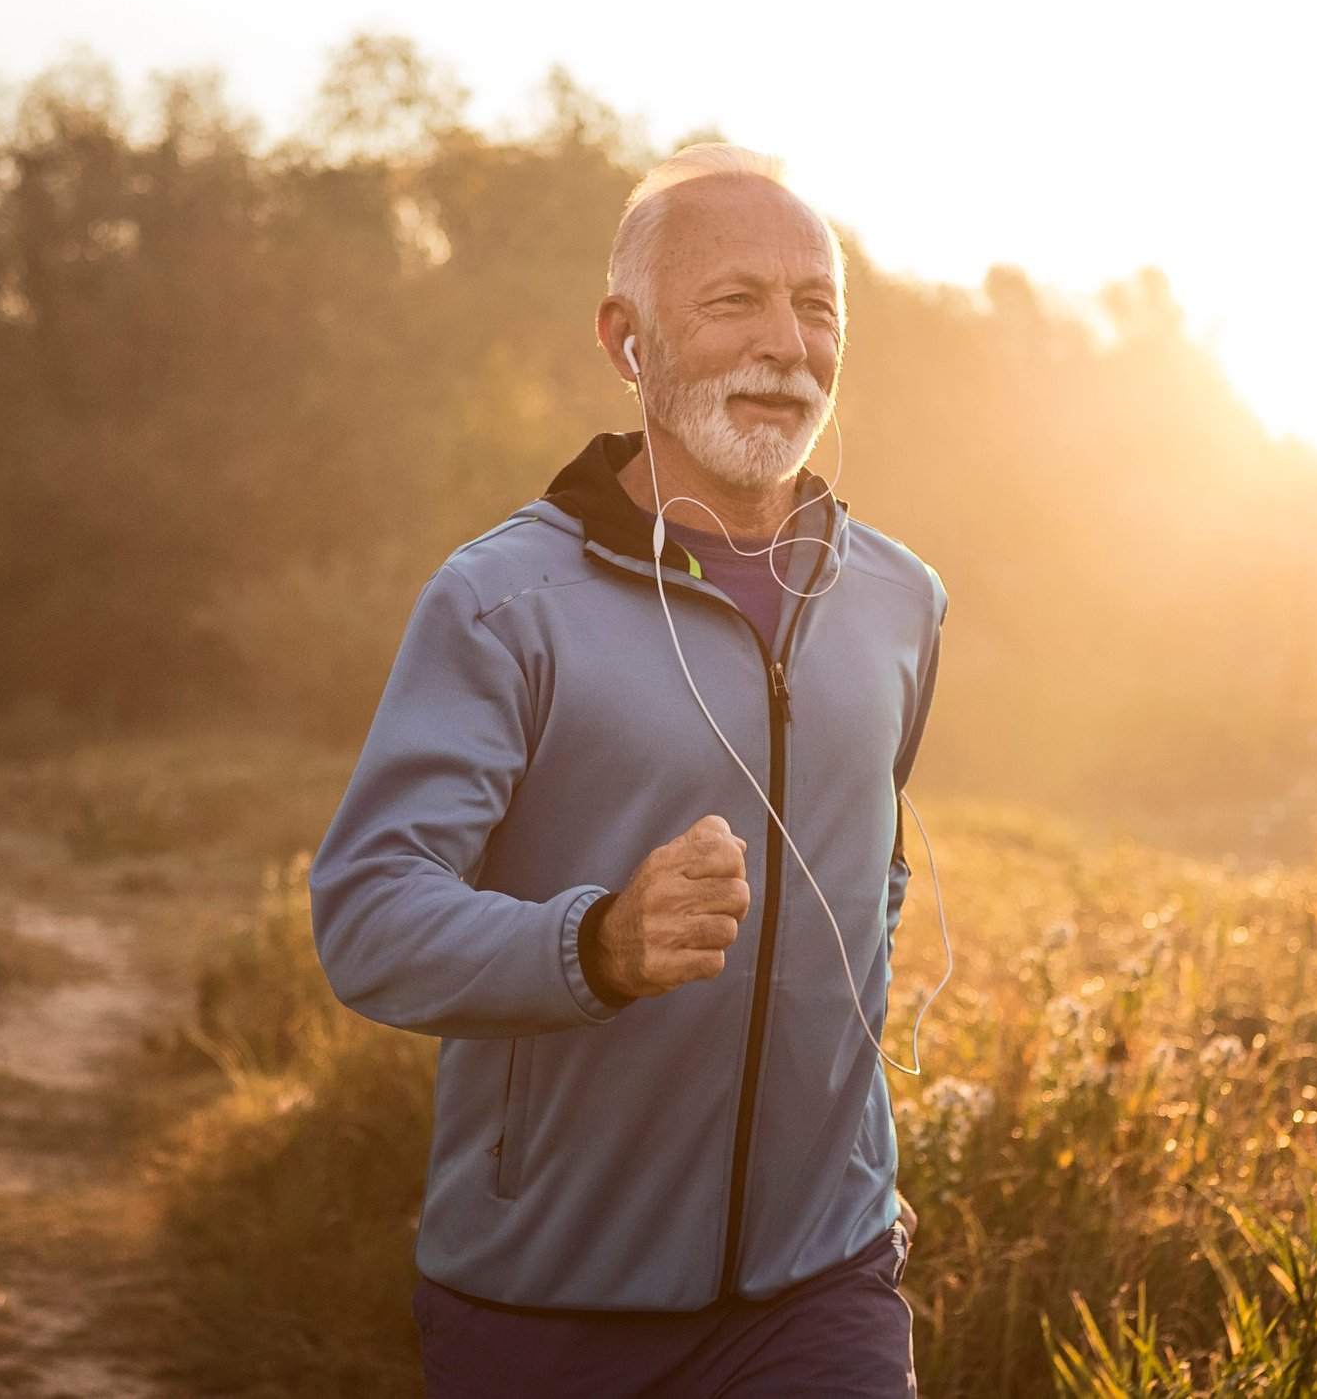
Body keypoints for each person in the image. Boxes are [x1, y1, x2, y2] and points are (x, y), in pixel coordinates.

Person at [307, 142, 946, 1398]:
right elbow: (368, 915)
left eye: (818, 306)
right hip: (549, 1299)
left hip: (825, 1289)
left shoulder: (900, 599)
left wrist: (847, 1167)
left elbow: (871, 885)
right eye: (734, 301)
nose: (787, 343)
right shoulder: (503, 602)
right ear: (627, 339)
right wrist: (595, 945)